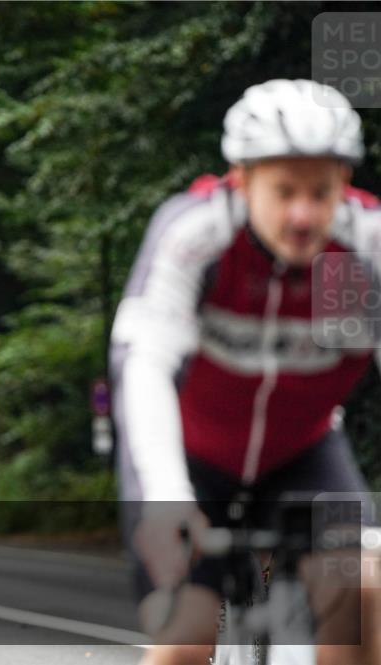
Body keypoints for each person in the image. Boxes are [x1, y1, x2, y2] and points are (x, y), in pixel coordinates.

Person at [111, 79, 381, 665]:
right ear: (242, 179)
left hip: (301, 453)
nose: (302, 214)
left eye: (320, 192)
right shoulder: (196, 234)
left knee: (361, 592)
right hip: (191, 454)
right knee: (186, 635)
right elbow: (145, 364)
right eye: (284, 191)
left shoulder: (367, 246)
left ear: (345, 183)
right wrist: (167, 497)